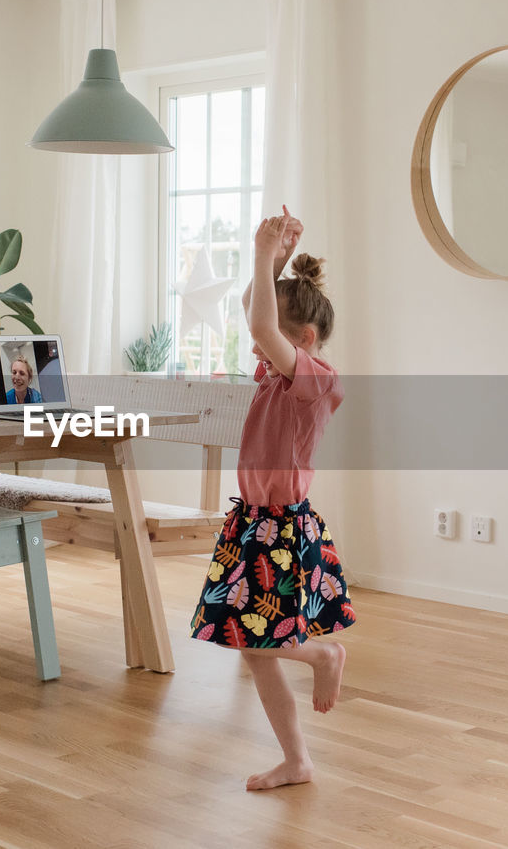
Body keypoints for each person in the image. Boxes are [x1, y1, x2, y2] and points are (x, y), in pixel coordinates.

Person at [188, 205, 354, 791]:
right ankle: (297, 760)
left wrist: (263, 256)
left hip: (281, 529)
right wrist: (275, 261)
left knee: (257, 641)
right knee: (252, 648)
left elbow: (261, 328)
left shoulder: (316, 382)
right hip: (251, 524)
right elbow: (255, 317)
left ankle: (320, 657)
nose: (258, 345)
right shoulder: (275, 374)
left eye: (276, 338)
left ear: (304, 340)